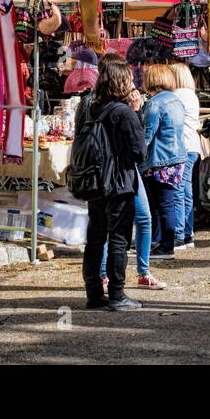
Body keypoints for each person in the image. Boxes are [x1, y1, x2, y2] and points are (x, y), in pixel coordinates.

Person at [80, 61, 147, 310]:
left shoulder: (90, 108)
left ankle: (94, 292)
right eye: (129, 79)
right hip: (118, 181)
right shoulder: (124, 112)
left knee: (95, 237)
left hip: (94, 180)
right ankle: (118, 294)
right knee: (118, 238)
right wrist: (138, 112)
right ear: (122, 82)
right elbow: (139, 151)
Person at [140, 64, 187, 261]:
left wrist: (137, 153)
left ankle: (166, 245)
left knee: (161, 204)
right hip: (176, 157)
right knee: (166, 202)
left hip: (160, 159)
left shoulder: (155, 103)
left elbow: (147, 134)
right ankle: (162, 242)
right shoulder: (176, 100)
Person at [170, 63, 202, 251]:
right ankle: (188, 232)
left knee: (178, 190)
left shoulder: (177, 95)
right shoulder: (191, 95)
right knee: (187, 190)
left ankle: (179, 234)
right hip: (193, 146)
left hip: (181, 147)